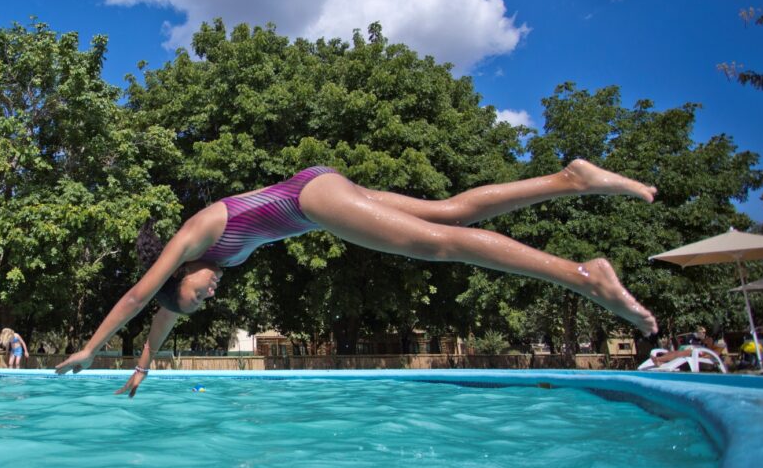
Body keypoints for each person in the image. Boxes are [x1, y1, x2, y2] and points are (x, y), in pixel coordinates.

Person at [56, 160, 659, 396]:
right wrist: (139, 369)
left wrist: (90, 348)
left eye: (195, 297)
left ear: (177, 275)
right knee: (450, 213)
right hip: (318, 192)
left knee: (440, 246)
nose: (208, 297)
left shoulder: (196, 234)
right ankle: (569, 180)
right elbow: (160, 316)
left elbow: (140, 296)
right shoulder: (200, 272)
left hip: (312, 200)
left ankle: (584, 276)